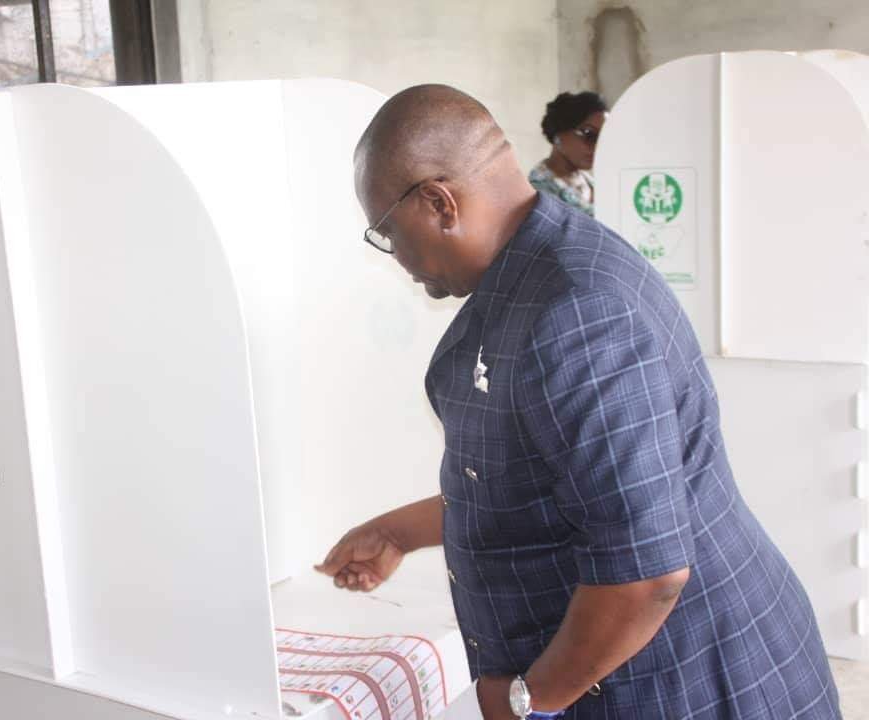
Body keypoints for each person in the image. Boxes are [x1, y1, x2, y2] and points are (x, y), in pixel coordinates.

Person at [315, 84, 839, 719]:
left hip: (691, 681)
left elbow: (645, 577)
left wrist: (526, 700)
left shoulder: (577, 312)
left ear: (438, 202)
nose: (396, 258)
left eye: (387, 233)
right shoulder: (531, 270)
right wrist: (399, 531)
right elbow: (543, 482)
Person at [528, 92, 607, 216]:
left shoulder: (591, 180)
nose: (597, 146)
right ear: (559, 132)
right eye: (589, 134)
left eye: (603, 138)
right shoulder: (538, 192)